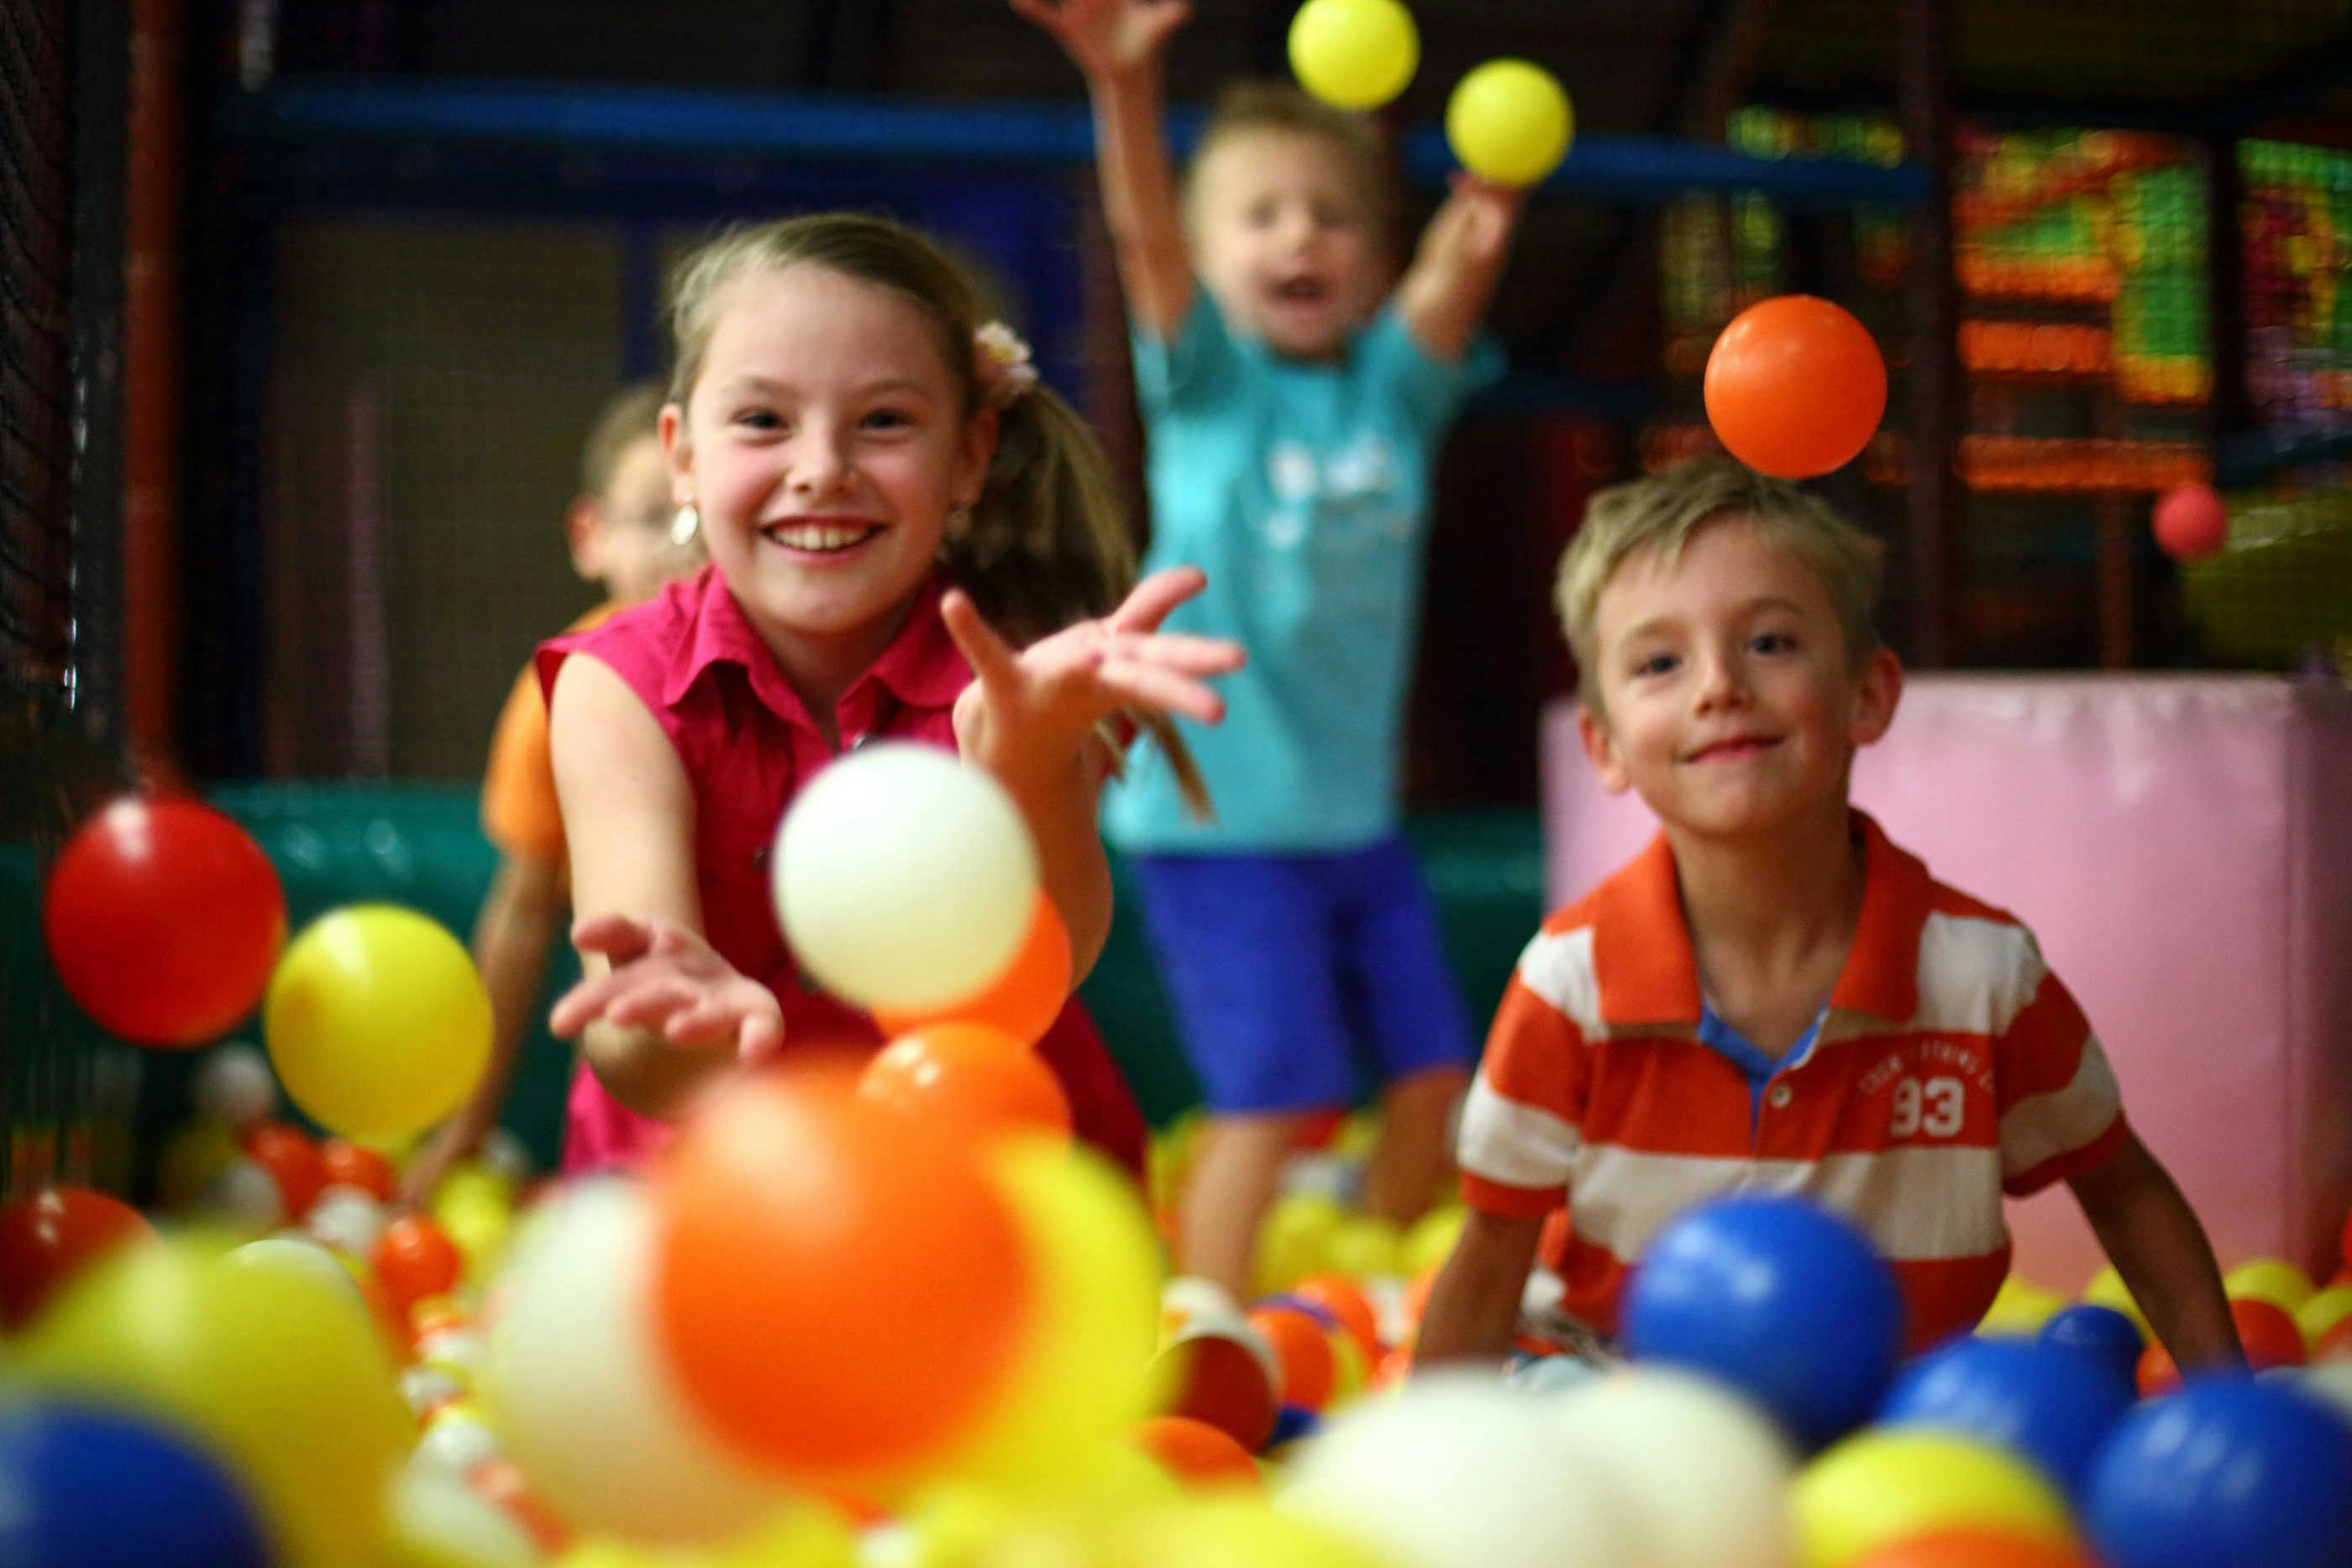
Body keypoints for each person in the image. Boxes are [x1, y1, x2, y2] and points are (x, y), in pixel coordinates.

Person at [1417, 455, 2242, 1371]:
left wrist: (2227, 1394)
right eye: (1659, 661)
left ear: (1866, 693)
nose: (1717, 685)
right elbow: (1492, 1251)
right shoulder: (1571, 981)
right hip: (1619, 1380)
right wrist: (1426, 1463)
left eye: (1768, 642)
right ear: (1604, 745)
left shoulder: (1978, 973)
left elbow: (2123, 1189)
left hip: (1892, 1399)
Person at [538, 211, 1243, 1181]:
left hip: (967, 1177)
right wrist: (678, 1021)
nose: (821, 468)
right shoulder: (616, 686)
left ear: (967, 456)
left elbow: (1042, 978)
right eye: (761, 420)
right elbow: (630, 1051)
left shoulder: (1008, 685)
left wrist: (1029, 766)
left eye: (883, 421)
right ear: (683, 455)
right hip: (707, 1192)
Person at [1019, 0, 1526, 1296]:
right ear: (1205, 251)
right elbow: (1139, 235)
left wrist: (1489, 207)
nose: (1301, 235)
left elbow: (1455, 278)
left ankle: (1346, 1278)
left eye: (1333, 214)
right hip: (1219, 819)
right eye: (1261, 214)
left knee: (1436, 1084)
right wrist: (1127, 87)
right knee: (1272, 1089)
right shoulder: (1210, 385)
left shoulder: (1394, 393)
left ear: (1371, 256)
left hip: (1356, 820)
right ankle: (1206, 1324)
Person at [402, 384, 699, 1204]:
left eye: (702, 520)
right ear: (588, 536)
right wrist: (464, 1128)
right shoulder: (563, 688)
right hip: (637, 1071)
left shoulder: (778, 671)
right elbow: (524, 911)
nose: (684, 550)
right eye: (653, 519)